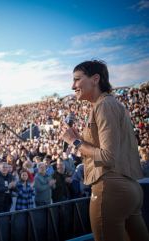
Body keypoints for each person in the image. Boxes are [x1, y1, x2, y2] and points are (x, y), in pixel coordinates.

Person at [61, 60, 149, 241]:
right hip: (129, 188)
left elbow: (108, 157)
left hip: (110, 188)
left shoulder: (104, 105)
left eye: (77, 79)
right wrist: (82, 140)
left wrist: (76, 142)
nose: (72, 86)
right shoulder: (109, 104)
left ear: (95, 79)